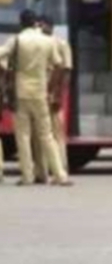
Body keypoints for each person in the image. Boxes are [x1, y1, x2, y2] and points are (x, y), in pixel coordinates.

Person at [0, 10, 70, 186]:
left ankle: (27, 176)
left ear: (21, 23)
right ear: (35, 23)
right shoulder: (48, 41)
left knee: (23, 136)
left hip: (21, 93)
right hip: (40, 92)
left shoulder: (17, 40)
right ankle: (60, 175)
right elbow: (59, 65)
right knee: (46, 135)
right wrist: (51, 87)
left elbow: (2, 55)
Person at [32, 15, 70, 181]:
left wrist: (58, 95)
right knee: (38, 134)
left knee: (56, 134)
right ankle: (41, 172)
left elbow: (66, 71)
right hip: (39, 93)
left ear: (48, 26)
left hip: (52, 94)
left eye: (41, 26)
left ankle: (61, 169)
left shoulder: (61, 44)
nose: (39, 29)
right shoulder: (39, 44)